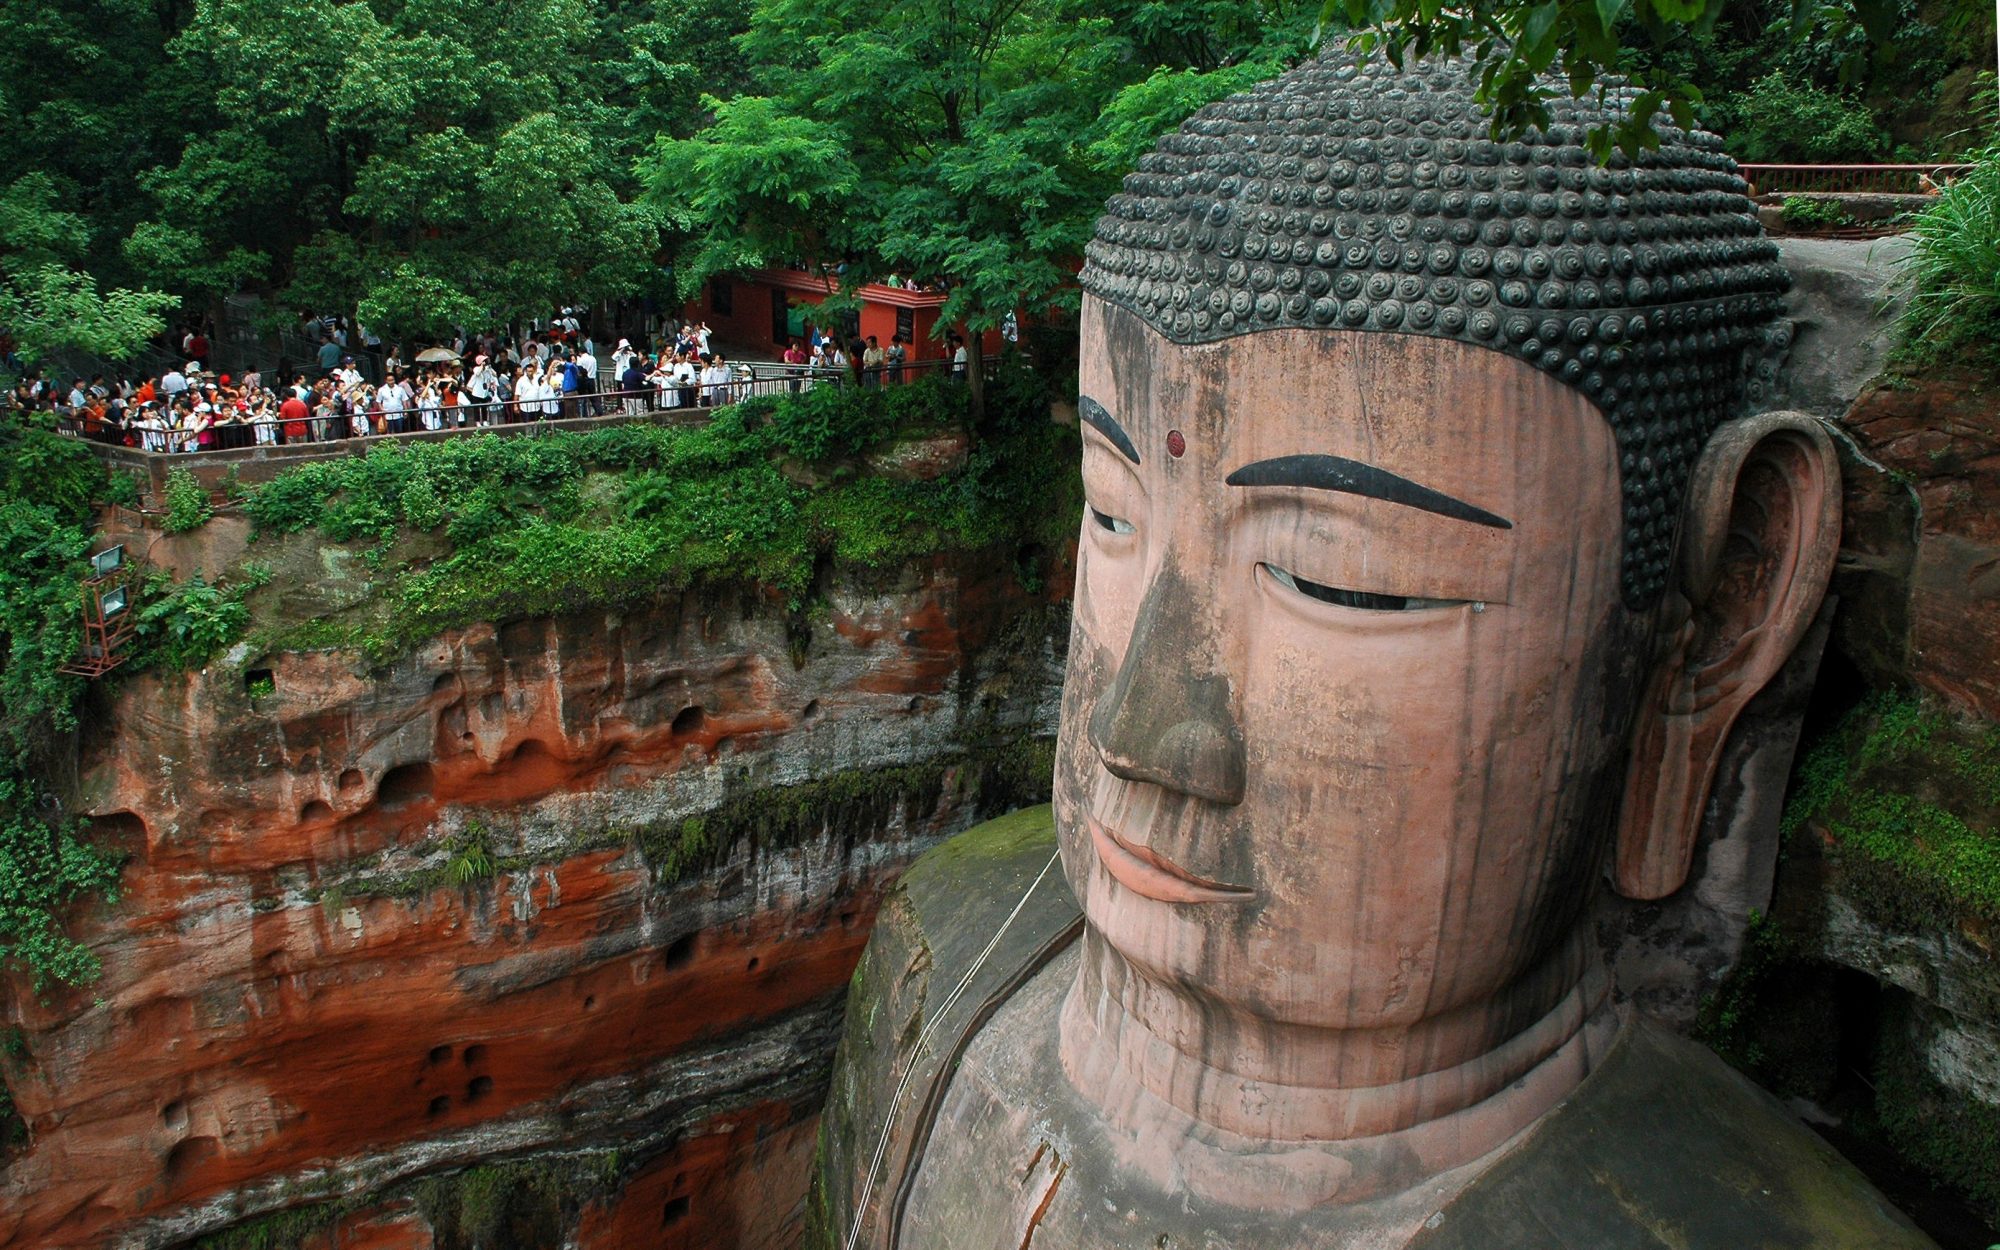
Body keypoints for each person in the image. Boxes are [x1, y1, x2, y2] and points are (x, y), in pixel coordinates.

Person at [814, 49, 1927, 1250]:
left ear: (1712, 629)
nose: (1134, 731)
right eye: (1110, 510)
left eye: (1342, 579)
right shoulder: (939, 948)